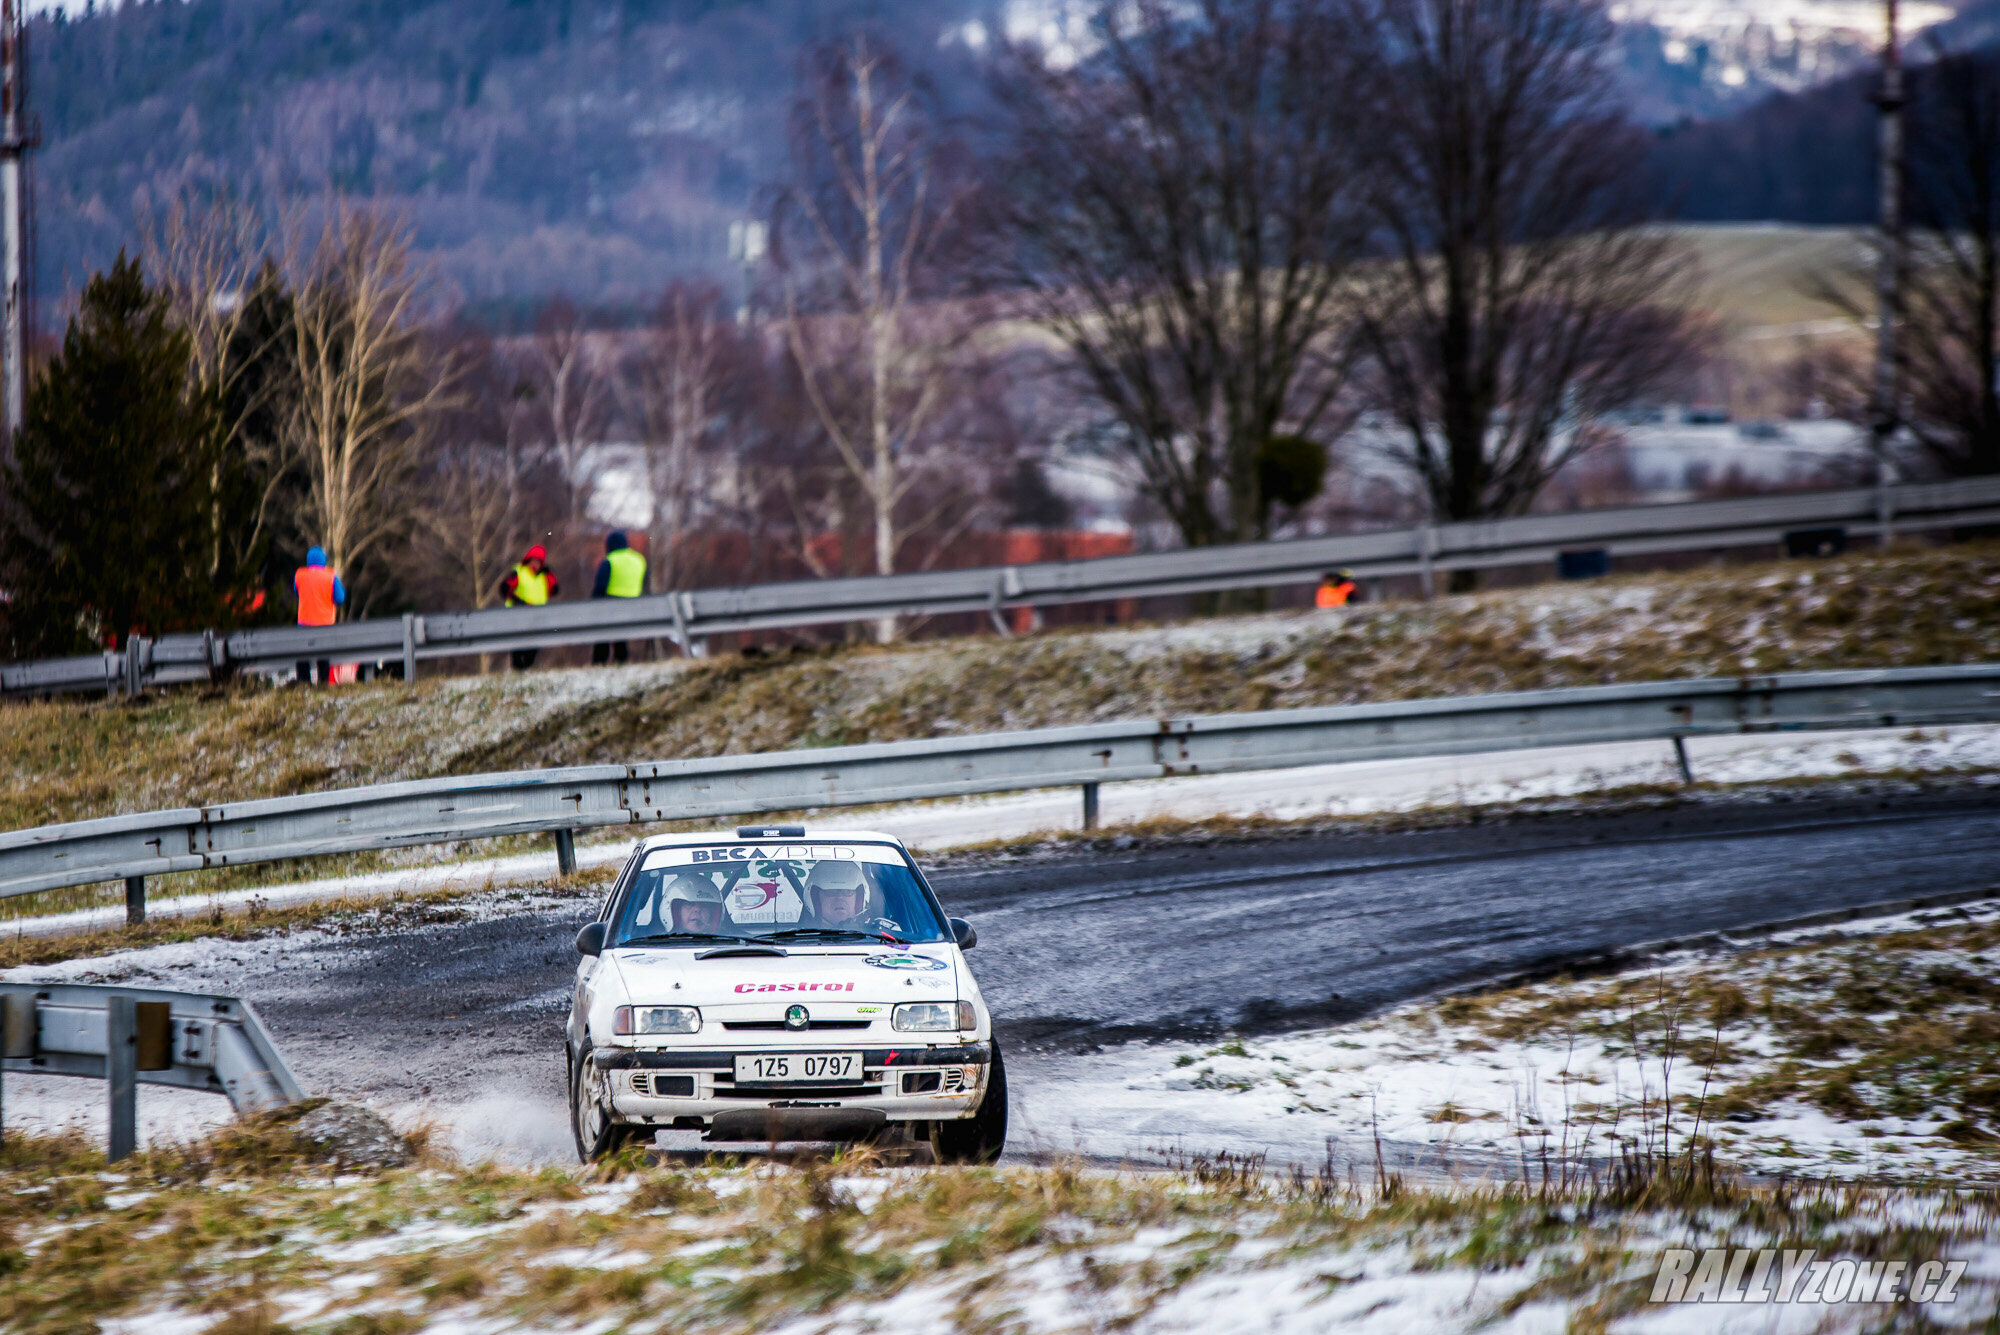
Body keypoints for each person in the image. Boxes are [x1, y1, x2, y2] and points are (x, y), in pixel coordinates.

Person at [499, 543, 559, 670]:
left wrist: (550, 574)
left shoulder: (544, 576)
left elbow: (555, 590)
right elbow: (504, 590)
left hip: (537, 618)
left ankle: (524, 669)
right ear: (528, 560)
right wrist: (520, 603)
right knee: (518, 647)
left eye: (538, 562)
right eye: (533, 561)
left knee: (533, 646)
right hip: (518, 616)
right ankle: (518, 669)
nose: (535, 565)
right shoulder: (519, 572)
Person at [590, 530, 646, 665]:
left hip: (610, 606)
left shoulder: (610, 560)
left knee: (602, 635)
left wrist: (592, 604)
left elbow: (600, 587)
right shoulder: (639, 559)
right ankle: (621, 661)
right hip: (634, 608)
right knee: (621, 636)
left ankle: (599, 663)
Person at [293, 546, 346, 685]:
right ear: (324, 560)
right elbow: (340, 598)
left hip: (304, 623)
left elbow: (296, 591)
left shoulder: (300, 575)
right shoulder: (330, 576)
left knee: (303, 654)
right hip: (325, 624)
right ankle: (323, 682)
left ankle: (303, 683)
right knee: (324, 656)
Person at [662, 874, 728, 935]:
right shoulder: (658, 946)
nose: (697, 909)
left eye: (704, 905)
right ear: (675, 911)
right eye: (689, 904)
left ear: (712, 913)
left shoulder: (728, 944)